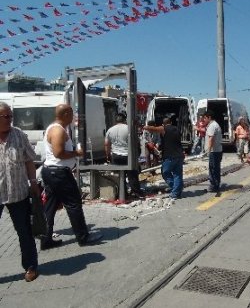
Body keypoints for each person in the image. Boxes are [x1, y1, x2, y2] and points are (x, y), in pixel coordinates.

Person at [41, 104, 102, 249]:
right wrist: (77, 153)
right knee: (74, 204)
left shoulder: (56, 128)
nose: (74, 116)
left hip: (52, 171)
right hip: (59, 173)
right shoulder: (58, 130)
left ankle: (46, 239)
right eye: (72, 113)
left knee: (50, 207)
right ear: (66, 114)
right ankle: (83, 237)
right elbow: (58, 153)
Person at [0, 102, 39, 282]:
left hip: (18, 193)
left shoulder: (19, 135)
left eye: (10, 116)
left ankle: (31, 266)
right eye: (5, 117)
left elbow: (29, 161)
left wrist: (33, 182)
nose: (9, 120)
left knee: (24, 232)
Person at [144, 117, 184, 199]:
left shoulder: (164, 128)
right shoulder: (176, 129)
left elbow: (152, 128)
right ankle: (177, 191)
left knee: (165, 172)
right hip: (179, 155)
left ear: (163, 124)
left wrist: (143, 126)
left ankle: (175, 190)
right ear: (171, 122)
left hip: (170, 155)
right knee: (177, 174)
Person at [104, 113, 143, 197]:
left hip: (116, 155)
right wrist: (138, 153)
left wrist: (108, 155)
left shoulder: (110, 130)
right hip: (128, 156)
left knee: (119, 176)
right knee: (132, 175)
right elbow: (136, 142)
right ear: (125, 120)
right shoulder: (129, 129)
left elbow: (106, 144)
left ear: (116, 120)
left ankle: (122, 193)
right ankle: (136, 192)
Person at [203, 110, 223, 193]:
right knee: (216, 169)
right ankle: (216, 185)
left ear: (209, 117)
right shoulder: (215, 125)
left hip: (214, 151)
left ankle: (213, 186)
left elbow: (211, 139)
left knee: (213, 169)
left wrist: (208, 150)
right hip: (217, 150)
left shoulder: (212, 126)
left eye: (205, 118)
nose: (204, 120)